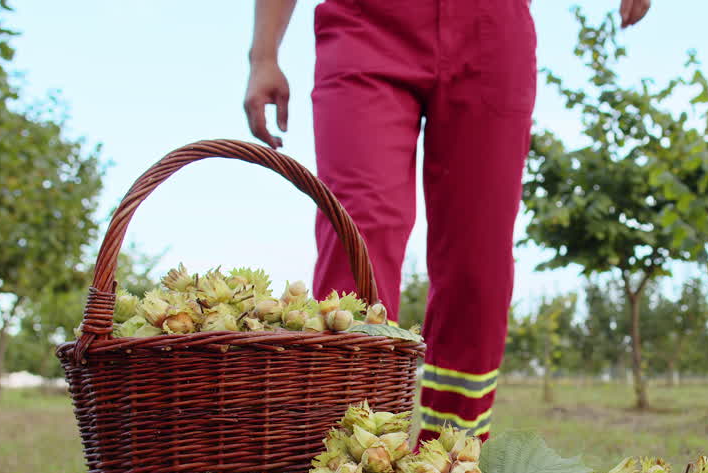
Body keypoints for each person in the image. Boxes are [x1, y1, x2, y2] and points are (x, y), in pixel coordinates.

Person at [244, 0, 650, 442]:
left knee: (478, 263)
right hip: (366, 26)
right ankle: (349, 451)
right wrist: (263, 56)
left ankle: (451, 458)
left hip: (491, 31)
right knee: (358, 236)